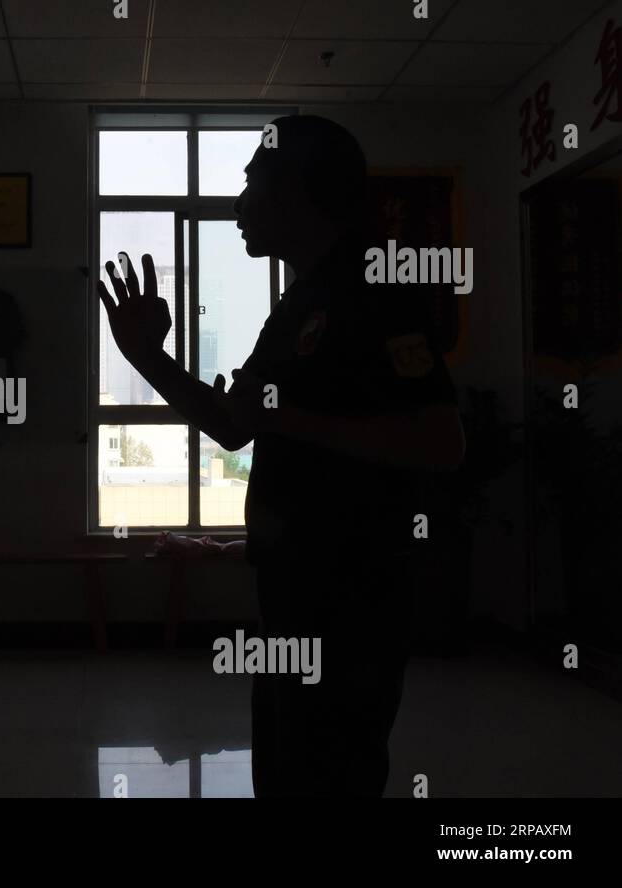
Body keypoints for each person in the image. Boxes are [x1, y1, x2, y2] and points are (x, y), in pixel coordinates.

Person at [98, 115, 464, 797]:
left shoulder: (374, 290)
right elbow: (237, 426)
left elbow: (442, 441)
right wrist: (148, 359)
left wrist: (294, 419)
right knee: (287, 770)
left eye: (250, 186)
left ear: (300, 191)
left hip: (353, 609)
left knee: (330, 775)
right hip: (292, 600)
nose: (237, 207)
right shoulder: (296, 304)